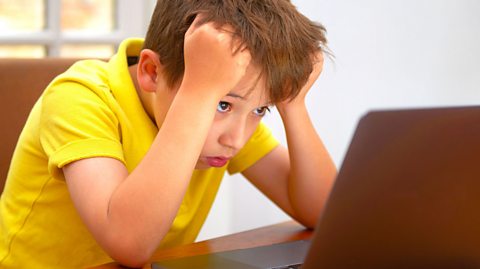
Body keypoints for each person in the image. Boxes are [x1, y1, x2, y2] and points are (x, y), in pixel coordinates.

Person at [0, 0, 337, 268]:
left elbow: (323, 213)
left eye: (261, 110)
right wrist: (199, 94)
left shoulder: (228, 128)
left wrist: (292, 102)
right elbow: (128, 243)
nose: (235, 139)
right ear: (151, 72)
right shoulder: (79, 97)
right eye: (222, 105)